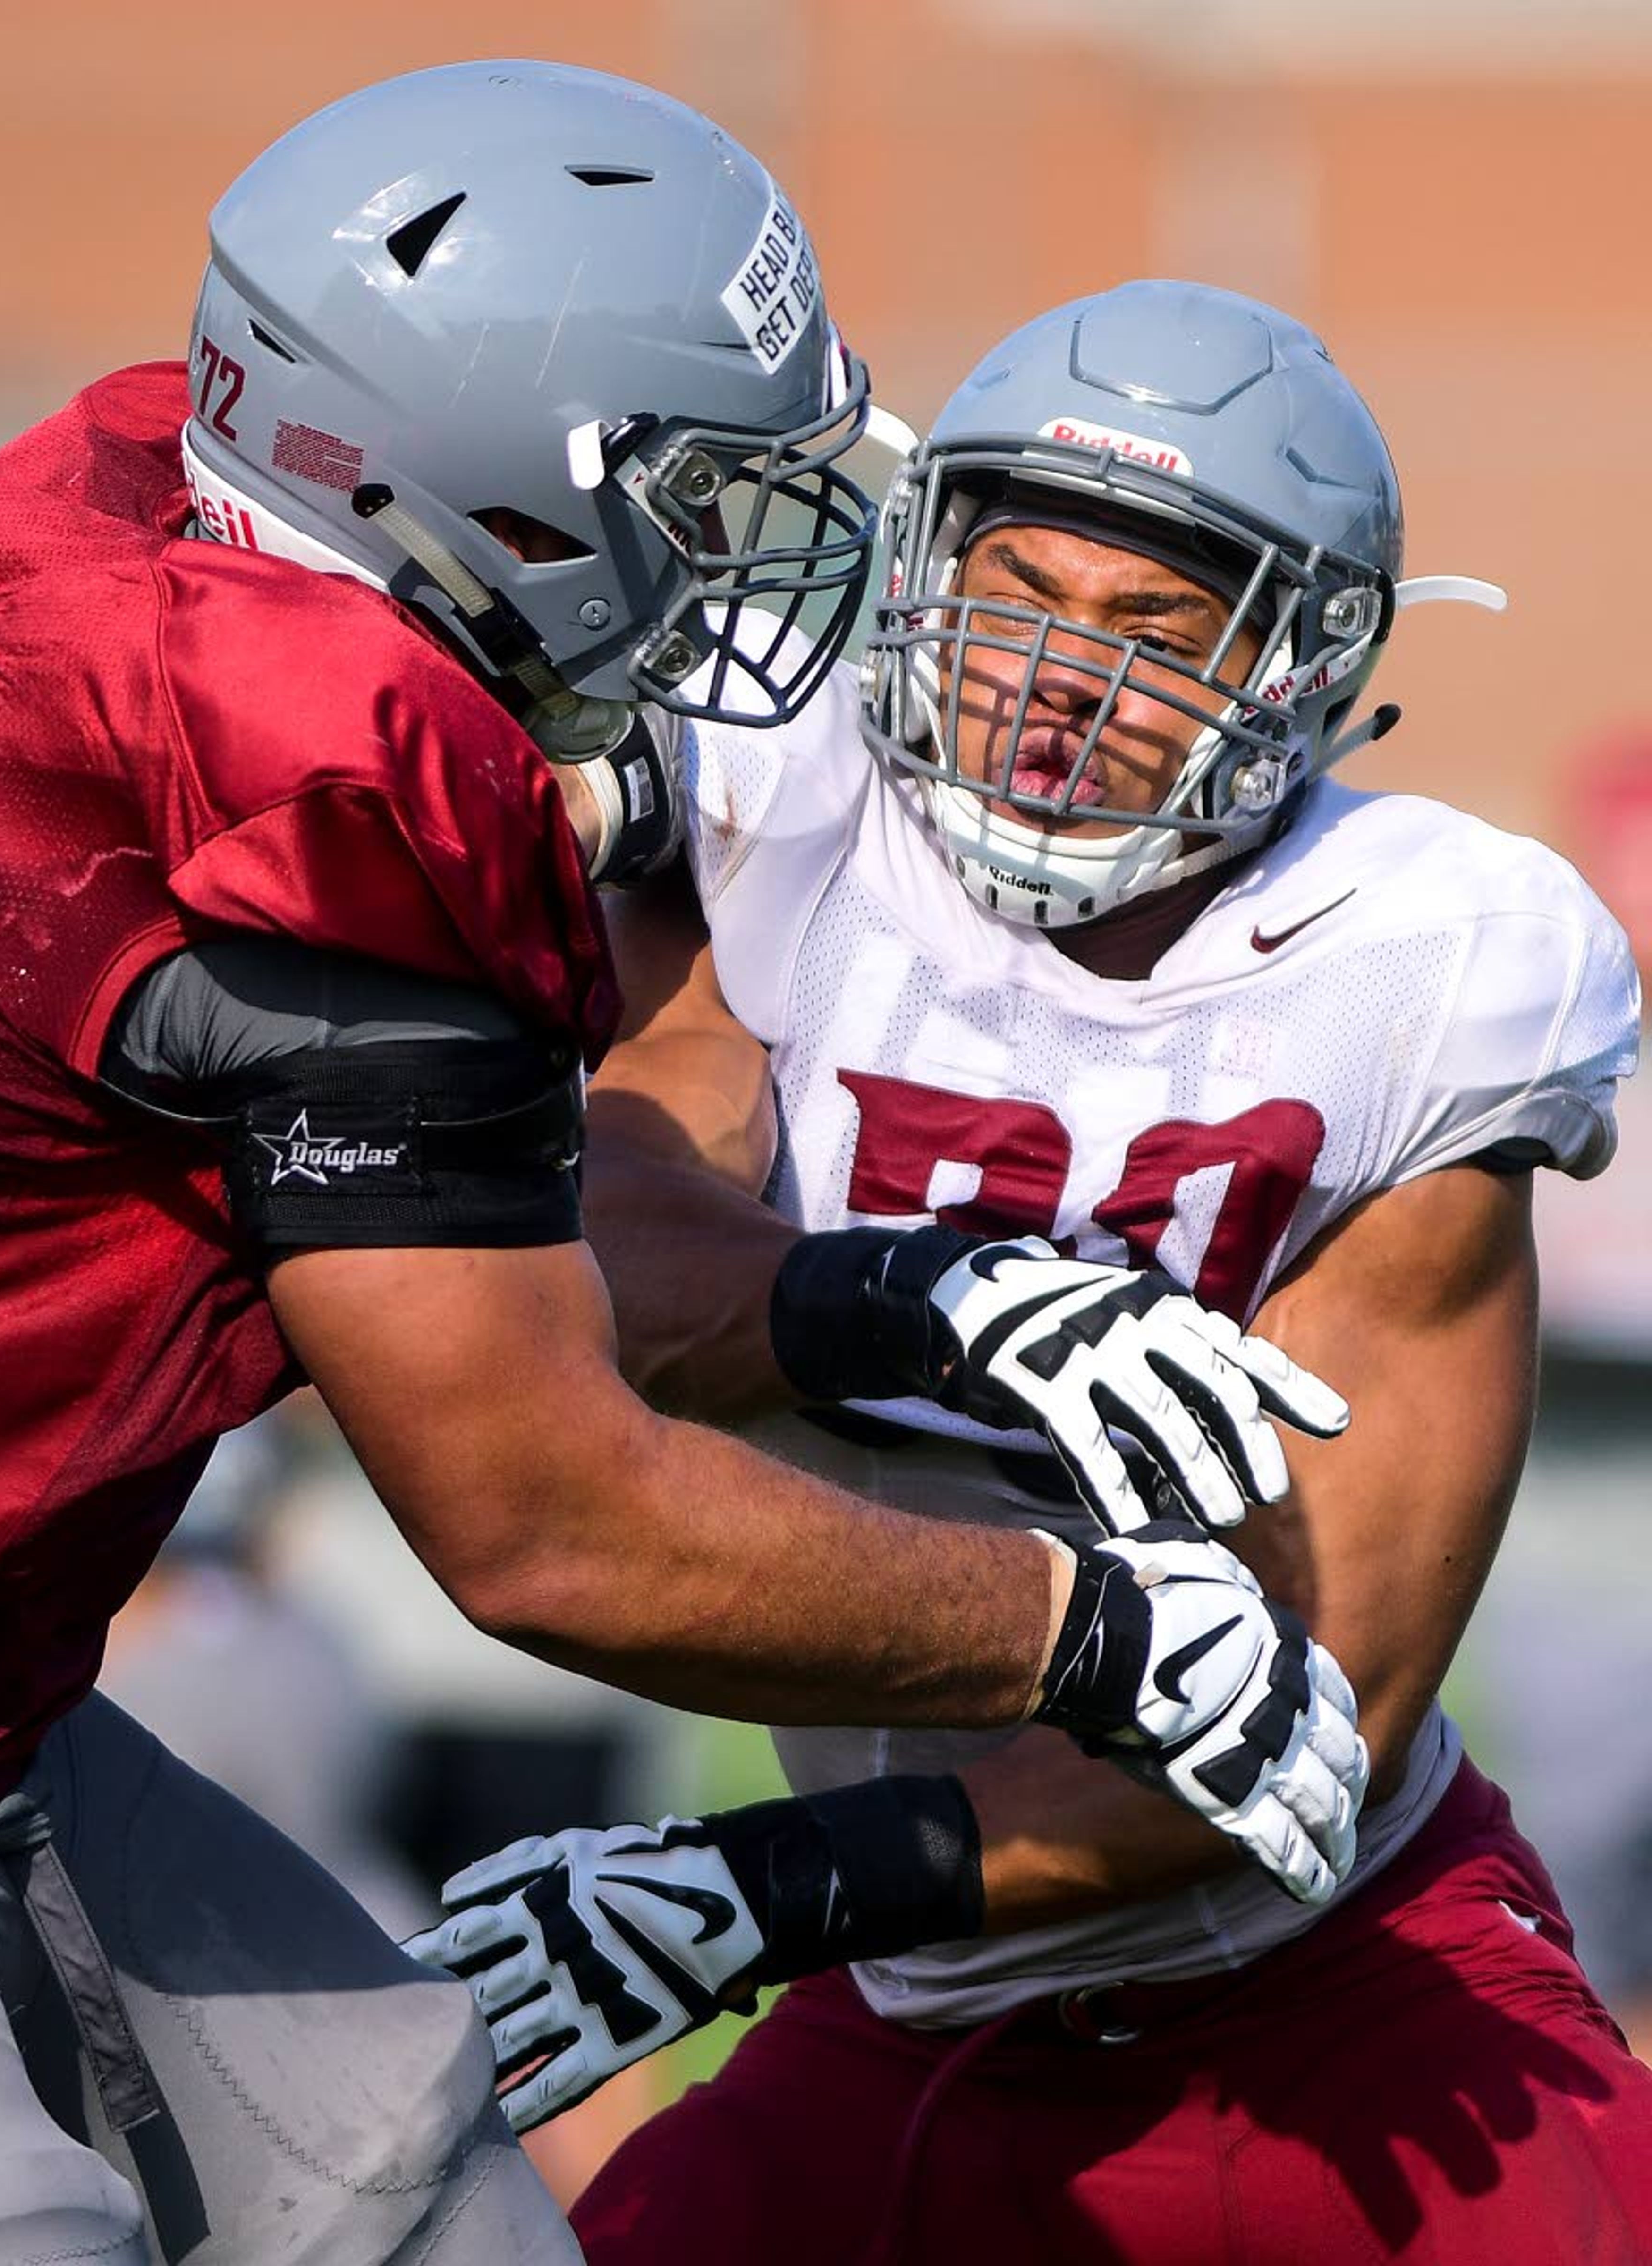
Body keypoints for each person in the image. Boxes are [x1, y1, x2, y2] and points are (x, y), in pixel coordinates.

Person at [0, 64, 1364, 2266]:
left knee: (422, 2190)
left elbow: (509, 1210)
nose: (742, 550)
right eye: (695, 490)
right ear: (492, 488)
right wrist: (1088, 1628)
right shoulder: (323, 822)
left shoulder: (123, 500)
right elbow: (554, 1528)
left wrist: (888, 1294)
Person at [420, 282, 1652, 2261]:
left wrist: (757, 1894)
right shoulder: (793, 814)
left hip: (1325, 1985)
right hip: (905, 1998)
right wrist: (921, 1301)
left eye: (1156, 636)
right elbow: (609, 1270)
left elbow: (1313, 1707)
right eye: (1020, 598)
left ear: (1306, 666)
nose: (1059, 683)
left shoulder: (1430, 963)